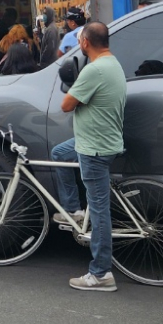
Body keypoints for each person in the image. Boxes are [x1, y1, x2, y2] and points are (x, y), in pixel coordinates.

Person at [50, 22, 127, 291]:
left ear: (84, 43)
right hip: (99, 140)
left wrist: (76, 92)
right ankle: (73, 210)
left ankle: (101, 273)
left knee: (101, 211)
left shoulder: (94, 70)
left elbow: (66, 104)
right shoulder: (112, 63)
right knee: (59, 153)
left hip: (94, 147)